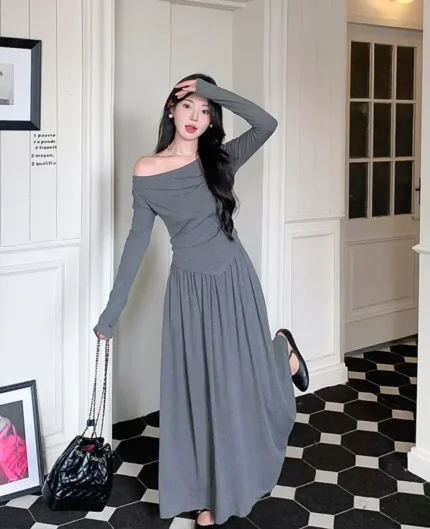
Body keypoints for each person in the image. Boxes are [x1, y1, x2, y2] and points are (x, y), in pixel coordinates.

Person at [94, 73, 309, 528]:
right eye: (188, 105)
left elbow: (267, 123)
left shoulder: (221, 160)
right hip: (189, 291)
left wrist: (213, 90)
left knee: (239, 385)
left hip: (233, 279)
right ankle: (209, 497)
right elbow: (136, 244)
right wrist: (112, 313)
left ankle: (280, 352)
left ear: (213, 118)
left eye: (205, 109)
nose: (196, 116)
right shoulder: (146, 170)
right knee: (202, 392)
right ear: (171, 108)